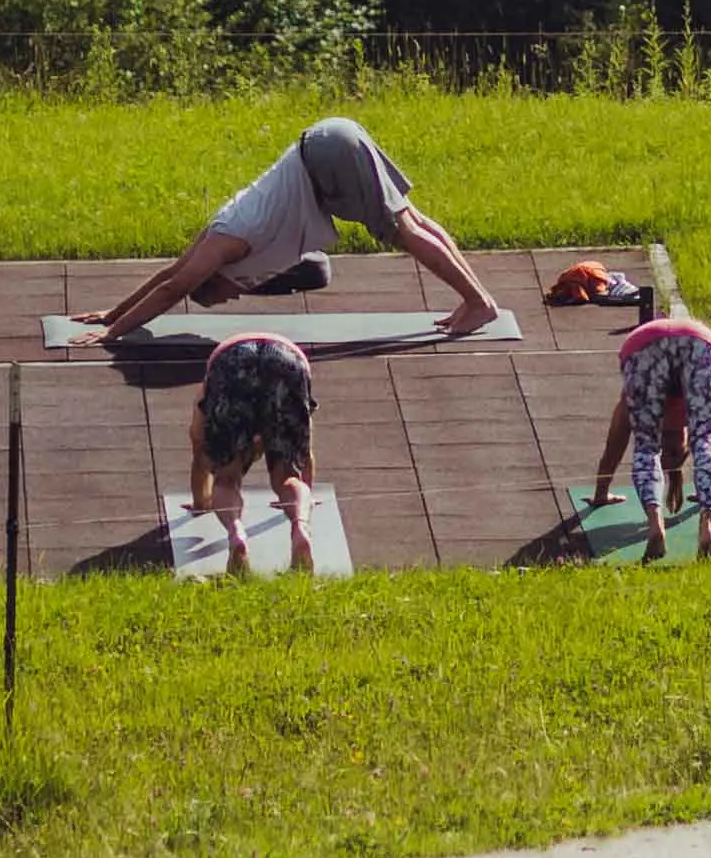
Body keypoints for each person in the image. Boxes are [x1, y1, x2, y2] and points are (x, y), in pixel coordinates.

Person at [98, 115, 501, 350]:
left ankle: (478, 301)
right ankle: (475, 299)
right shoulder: (221, 235)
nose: (234, 297)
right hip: (327, 141)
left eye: (220, 298)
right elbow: (170, 273)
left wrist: (113, 335)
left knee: (402, 230)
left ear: (212, 280)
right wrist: (110, 313)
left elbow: (175, 286)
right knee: (412, 219)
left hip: (326, 156)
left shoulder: (226, 244)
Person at [585, 293, 711, 562]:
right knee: (705, 440)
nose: (670, 447)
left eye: (668, 454)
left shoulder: (651, 416)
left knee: (646, 446)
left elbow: (616, 441)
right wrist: (709, 492)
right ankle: (707, 526)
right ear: (684, 446)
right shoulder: (695, 422)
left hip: (646, 344)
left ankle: (656, 525)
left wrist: (601, 493)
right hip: (698, 341)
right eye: (675, 452)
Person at [186, 325, 319, 560]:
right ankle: (300, 527)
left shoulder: (209, 384)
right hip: (288, 360)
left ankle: (236, 533)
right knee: (289, 475)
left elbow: (198, 444)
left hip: (231, 360)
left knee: (227, 478)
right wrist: (306, 498)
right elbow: (305, 455)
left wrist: (200, 503)